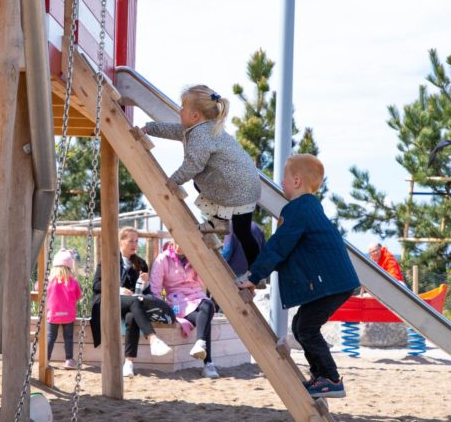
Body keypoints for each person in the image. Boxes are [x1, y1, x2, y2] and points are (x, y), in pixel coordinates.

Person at [236, 154, 360, 398]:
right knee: (301, 325)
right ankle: (320, 376)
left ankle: (331, 379)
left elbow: (279, 245)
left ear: (296, 181)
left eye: (284, 178)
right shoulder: (310, 207)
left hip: (333, 283)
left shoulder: (298, 209)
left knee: (307, 327)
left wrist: (254, 275)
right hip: (337, 282)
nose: (281, 183)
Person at [143, 85, 261, 264]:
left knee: (199, 180)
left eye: (183, 108)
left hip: (235, 187)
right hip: (247, 185)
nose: (180, 110)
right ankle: (257, 270)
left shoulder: (200, 135)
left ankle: (222, 224)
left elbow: (193, 165)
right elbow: (173, 130)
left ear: (195, 116)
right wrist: (149, 128)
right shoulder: (208, 128)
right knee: (243, 231)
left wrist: (173, 181)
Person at [90, 227, 172, 378]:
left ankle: (128, 363)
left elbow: (143, 294)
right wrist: (118, 289)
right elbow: (96, 285)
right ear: (121, 242)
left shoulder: (141, 263)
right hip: (106, 302)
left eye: (136, 241)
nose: (134, 244)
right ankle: (153, 339)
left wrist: (144, 284)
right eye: (130, 241)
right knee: (134, 302)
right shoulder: (109, 260)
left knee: (132, 316)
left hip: (130, 304)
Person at [150, 240, 219, 379]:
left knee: (208, 305)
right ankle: (208, 363)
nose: (179, 246)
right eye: (176, 242)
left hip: (196, 295)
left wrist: (198, 262)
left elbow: (202, 283)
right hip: (177, 301)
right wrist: (159, 309)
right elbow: (155, 287)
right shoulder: (163, 258)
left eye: (182, 243)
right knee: (205, 319)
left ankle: (200, 343)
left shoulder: (193, 257)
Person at [46, 249, 82, 369]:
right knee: (68, 337)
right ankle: (69, 360)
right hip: (68, 315)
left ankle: (46, 359)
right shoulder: (73, 282)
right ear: (69, 267)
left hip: (53, 314)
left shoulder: (49, 281)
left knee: (51, 337)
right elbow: (78, 295)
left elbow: (38, 288)